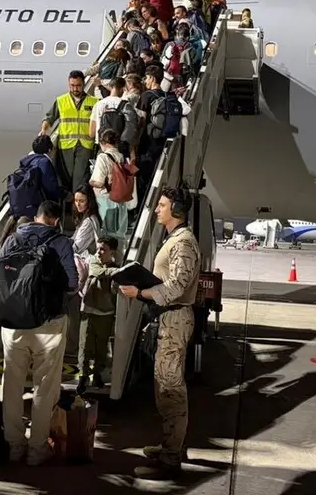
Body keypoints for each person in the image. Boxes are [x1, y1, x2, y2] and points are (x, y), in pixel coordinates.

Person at [118, 186, 200, 480]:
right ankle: (171, 444)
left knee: (170, 389)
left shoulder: (184, 243)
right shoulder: (175, 239)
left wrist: (140, 293)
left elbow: (177, 286)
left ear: (176, 211)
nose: (157, 210)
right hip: (169, 318)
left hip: (175, 318)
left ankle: (170, 461)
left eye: (162, 205)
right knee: (165, 386)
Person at [0, 200, 77, 466]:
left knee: (12, 383)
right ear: (55, 220)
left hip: (13, 323)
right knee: (45, 385)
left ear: (36, 216)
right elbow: (72, 284)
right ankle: (37, 449)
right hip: (48, 324)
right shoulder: (60, 242)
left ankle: (14, 445)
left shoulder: (11, 239)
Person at [39, 71, 99, 195]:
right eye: (72, 85)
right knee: (64, 179)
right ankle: (65, 207)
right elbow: (49, 118)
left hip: (85, 146)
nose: (75, 88)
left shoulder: (93, 102)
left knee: (80, 180)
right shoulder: (61, 100)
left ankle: (76, 209)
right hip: (65, 146)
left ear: (83, 84)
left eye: (78, 85)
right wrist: (44, 130)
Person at [76, 236, 121, 393]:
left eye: (103, 249)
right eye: (98, 248)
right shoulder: (95, 262)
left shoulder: (116, 267)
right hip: (89, 310)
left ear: (112, 252)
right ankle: (83, 376)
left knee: (101, 347)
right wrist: (115, 271)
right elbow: (97, 272)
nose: (99, 252)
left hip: (105, 312)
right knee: (85, 345)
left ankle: (97, 375)